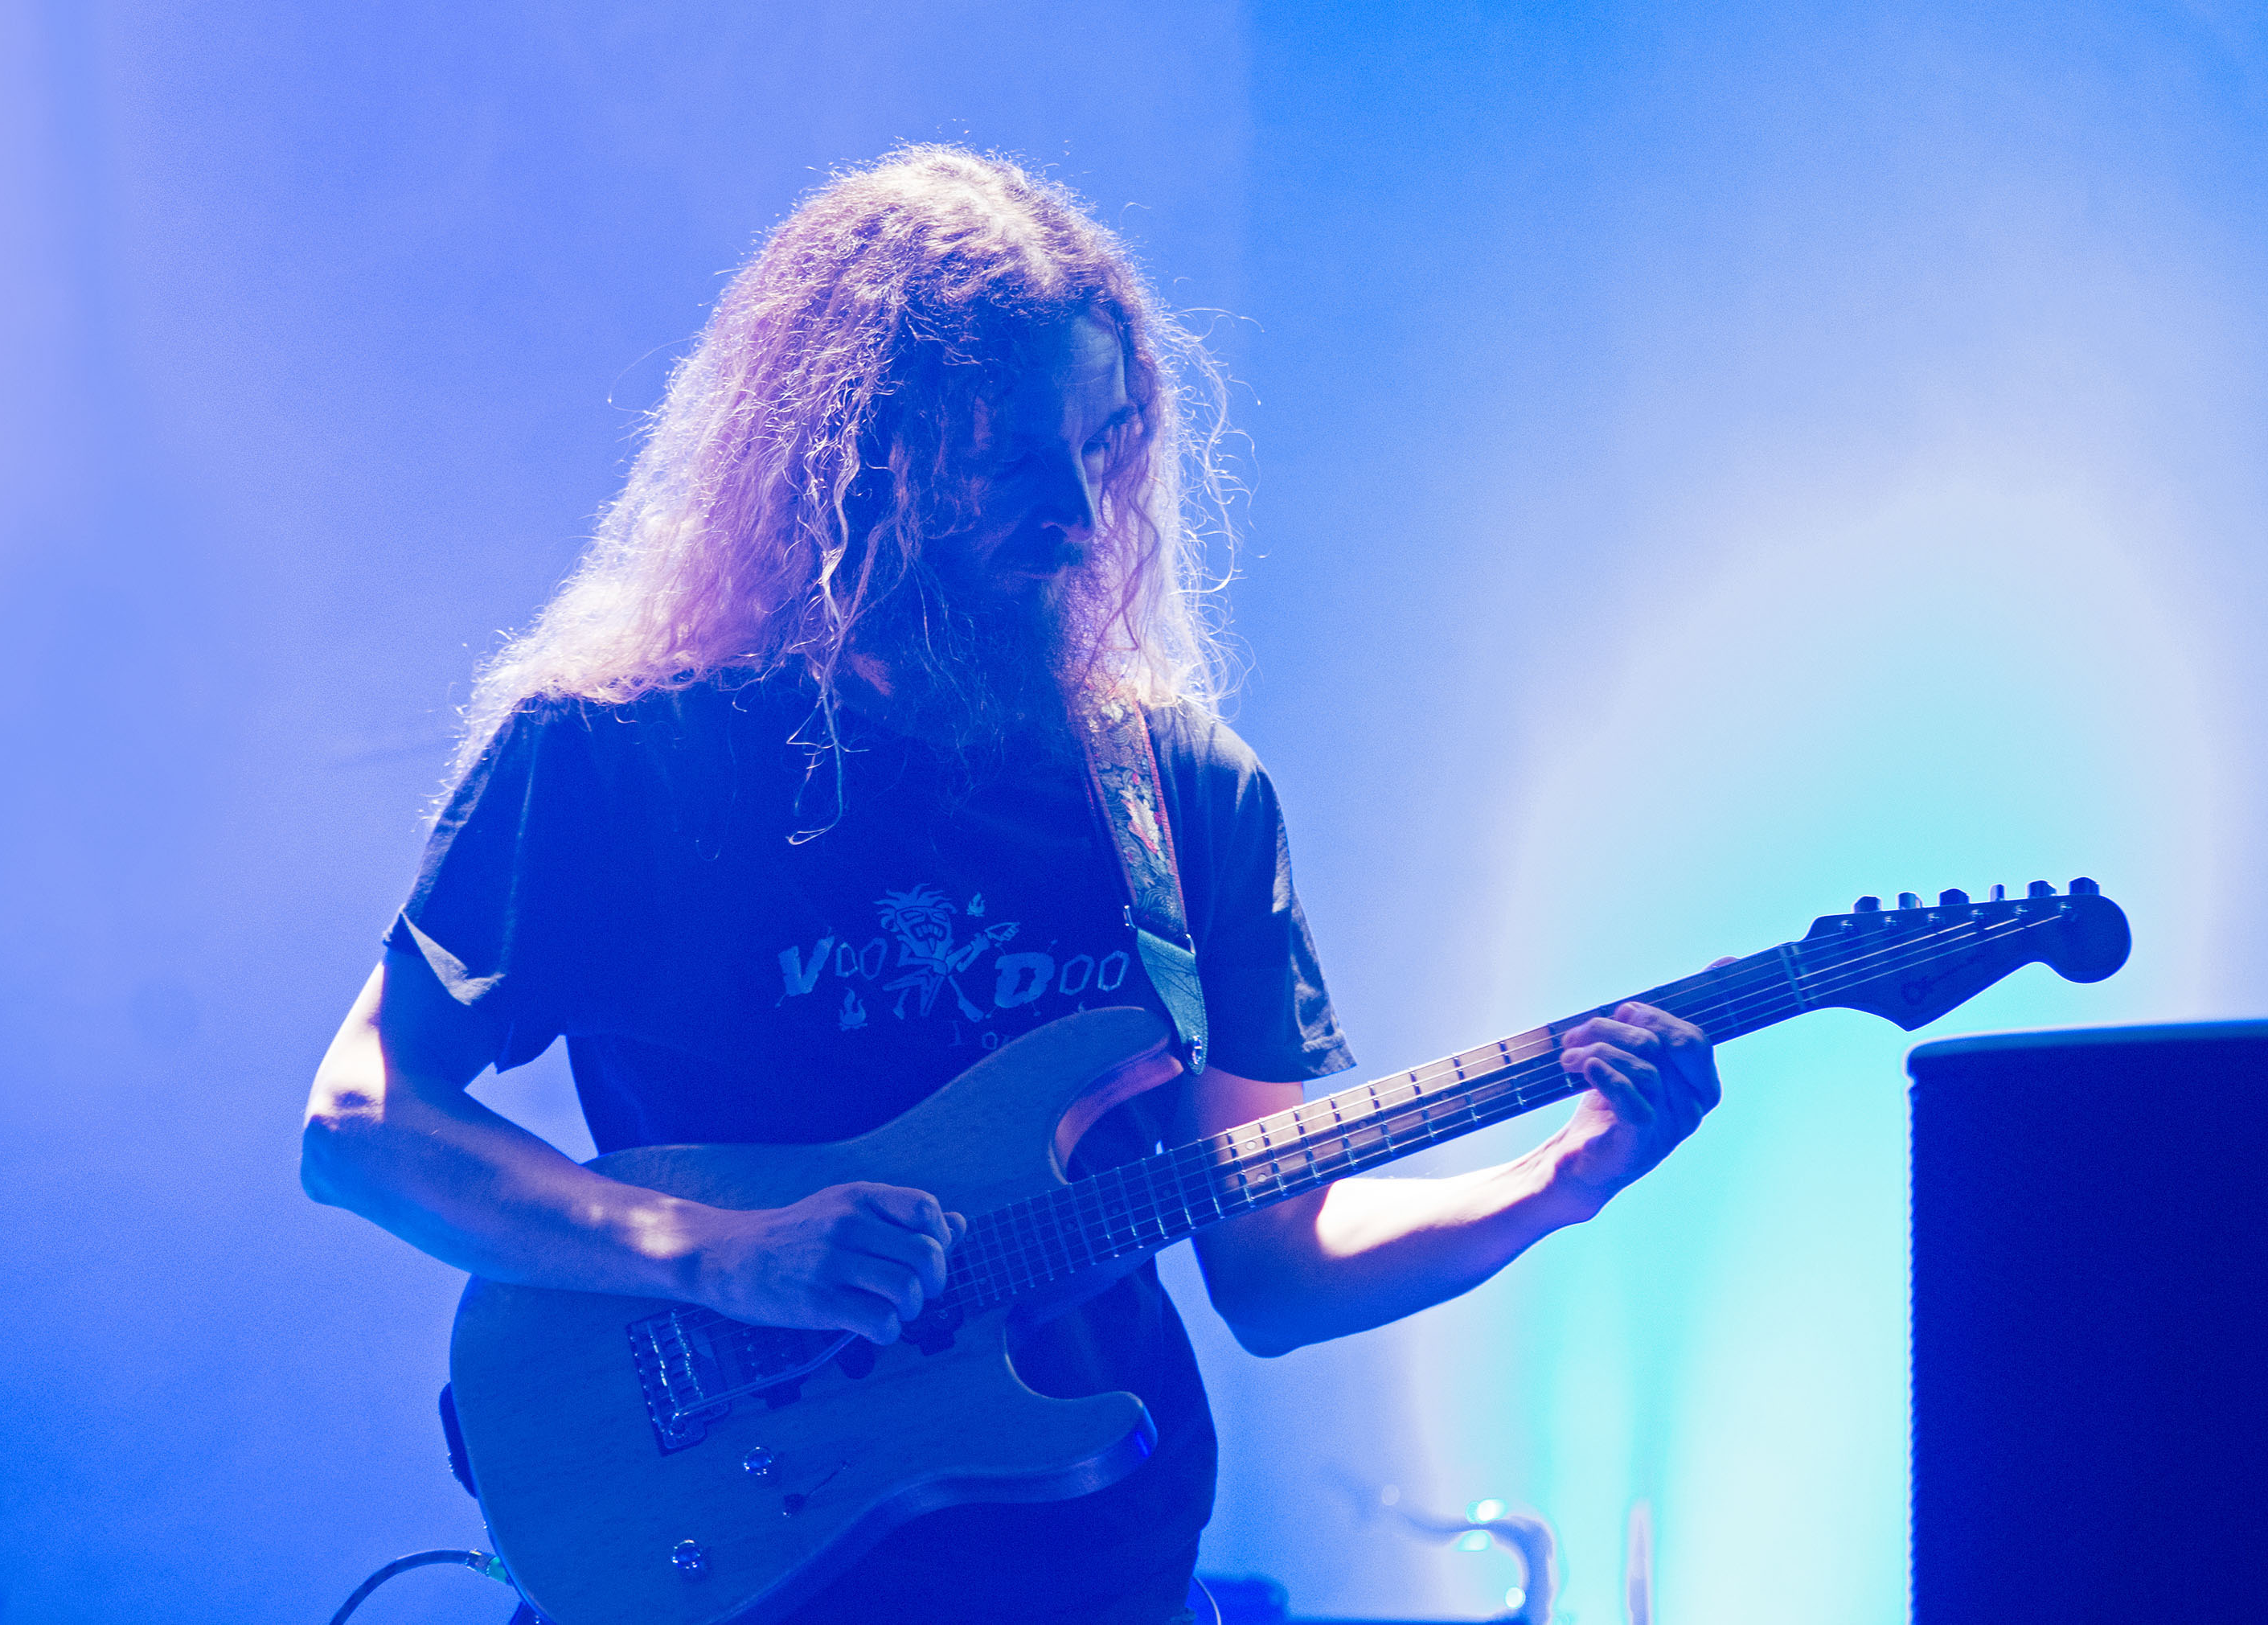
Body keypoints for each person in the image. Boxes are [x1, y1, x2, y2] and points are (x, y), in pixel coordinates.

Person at [299, 146, 1721, 1625]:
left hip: (1089, 1567)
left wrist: (1555, 1182)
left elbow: (1277, 1266)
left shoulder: (1184, 796)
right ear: (852, 446)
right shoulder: (619, 758)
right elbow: (361, 1121)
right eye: (1007, 450)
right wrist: (726, 1257)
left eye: (1106, 446)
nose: (1082, 509)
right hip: (737, 1549)